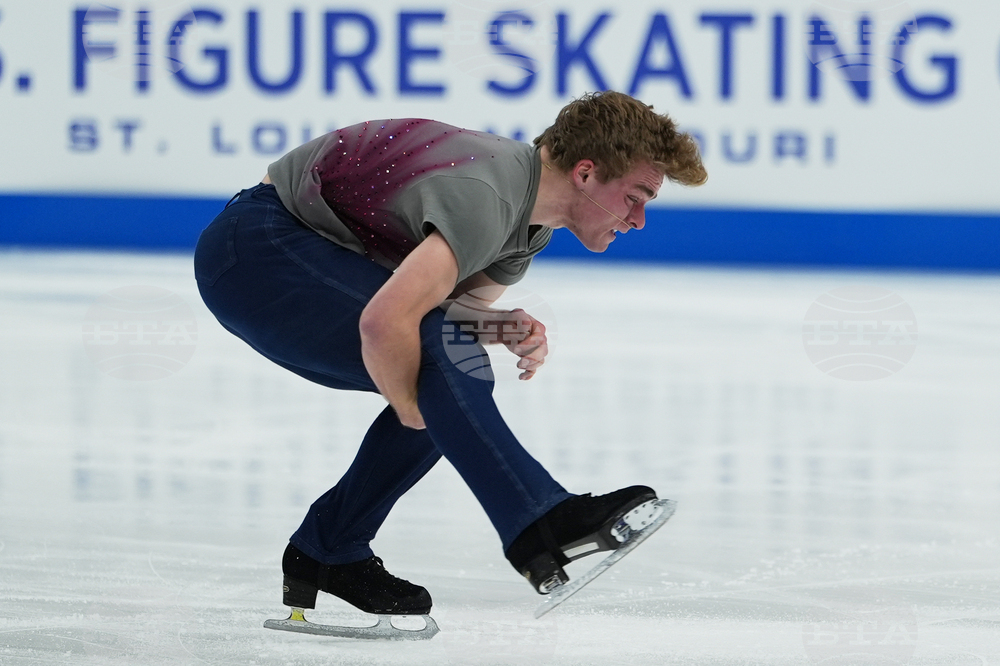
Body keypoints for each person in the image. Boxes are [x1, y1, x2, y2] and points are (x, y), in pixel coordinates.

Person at [193, 91, 707, 619]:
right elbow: (385, 322)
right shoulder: (488, 196)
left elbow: (439, 312)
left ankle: (329, 548)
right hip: (255, 249)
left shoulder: (526, 229)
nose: (640, 219)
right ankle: (539, 522)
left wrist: (495, 326)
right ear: (584, 172)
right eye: (636, 196)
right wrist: (417, 407)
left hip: (293, 256)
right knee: (447, 374)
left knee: (451, 378)